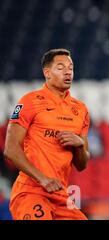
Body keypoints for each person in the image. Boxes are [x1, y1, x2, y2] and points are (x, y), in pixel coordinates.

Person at [3, 48, 90, 220]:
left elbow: (82, 165)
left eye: (70, 68)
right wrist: (42, 179)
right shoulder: (30, 101)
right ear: (47, 72)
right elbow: (10, 150)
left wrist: (79, 145)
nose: (68, 72)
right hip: (31, 192)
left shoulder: (80, 110)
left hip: (61, 195)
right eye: (61, 67)